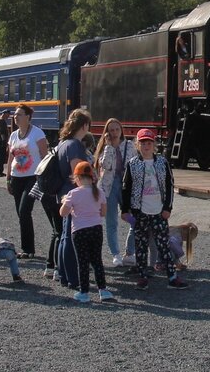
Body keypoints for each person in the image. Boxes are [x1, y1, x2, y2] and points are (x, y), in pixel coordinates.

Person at [121, 128, 187, 290]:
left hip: (159, 211)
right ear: (138, 144)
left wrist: (168, 207)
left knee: (163, 245)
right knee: (141, 246)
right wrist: (125, 209)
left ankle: (172, 277)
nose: (146, 146)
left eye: (149, 143)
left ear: (154, 144)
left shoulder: (162, 162)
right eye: (143, 143)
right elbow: (126, 187)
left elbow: (170, 185)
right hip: (140, 211)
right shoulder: (132, 164)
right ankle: (143, 276)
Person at [47, 109, 92, 286]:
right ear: (85, 125)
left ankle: (64, 274)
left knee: (65, 235)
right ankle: (73, 278)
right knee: (71, 237)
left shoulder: (63, 142)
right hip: (74, 193)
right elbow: (77, 172)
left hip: (63, 192)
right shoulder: (74, 145)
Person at [60, 160, 114, 303]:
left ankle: (84, 292)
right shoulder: (99, 193)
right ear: (92, 177)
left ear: (76, 178)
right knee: (97, 260)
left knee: (82, 262)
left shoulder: (73, 193)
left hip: (79, 231)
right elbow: (103, 213)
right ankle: (103, 290)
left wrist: (66, 203)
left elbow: (63, 213)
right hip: (96, 229)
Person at [5, 104, 47, 259]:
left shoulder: (37, 133)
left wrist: (44, 177)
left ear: (28, 117)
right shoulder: (13, 135)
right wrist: (8, 178)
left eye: (19, 114)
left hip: (33, 177)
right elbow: (10, 158)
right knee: (21, 214)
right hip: (17, 178)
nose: (16, 117)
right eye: (15, 115)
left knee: (24, 210)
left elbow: (45, 156)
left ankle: (28, 248)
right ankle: (27, 249)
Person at [95, 118, 133, 266]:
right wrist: (109, 147)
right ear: (107, 132)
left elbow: (131, 164)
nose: (115, 132)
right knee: (112, 222)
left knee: (134, 219)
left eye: (117, 129)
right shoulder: (105, 147)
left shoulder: (128, 145)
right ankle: (116, 254)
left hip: (125, 186)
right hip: (109, 187)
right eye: (111, 130)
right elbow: (106, 166)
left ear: (121, 130)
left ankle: (130, 252)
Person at [0, 110, 11, 176]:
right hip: (0, 141)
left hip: (0, 140)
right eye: (8, 115)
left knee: (1, 156)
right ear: (4, 114)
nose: (8, 116)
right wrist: (4, 141)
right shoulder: (1, 121)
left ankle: (0, 171)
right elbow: (2, 131)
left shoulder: (1, 120)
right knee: (0, 156)